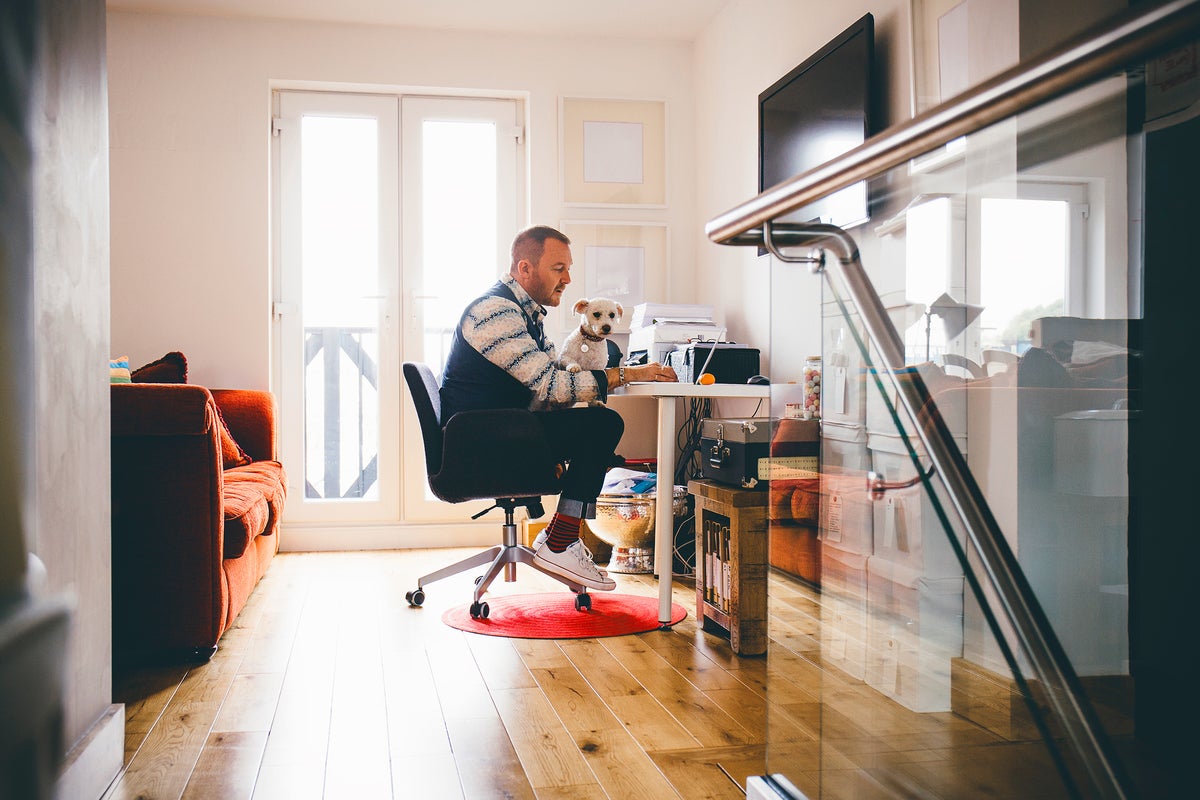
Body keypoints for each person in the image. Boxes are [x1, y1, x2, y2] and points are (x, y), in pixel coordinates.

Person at [439, 225, 677, 591]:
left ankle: (559, 536)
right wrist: (627, 374)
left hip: (499, 430)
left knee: (597, 424)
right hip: (480, 442)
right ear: (525, 269)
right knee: (601, 425)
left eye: (569, 268)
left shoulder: (525, 313)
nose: (568, 278)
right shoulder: (497, 313)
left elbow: (552, 377)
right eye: (558, 268)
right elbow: (552, 387)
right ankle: (560, 540)